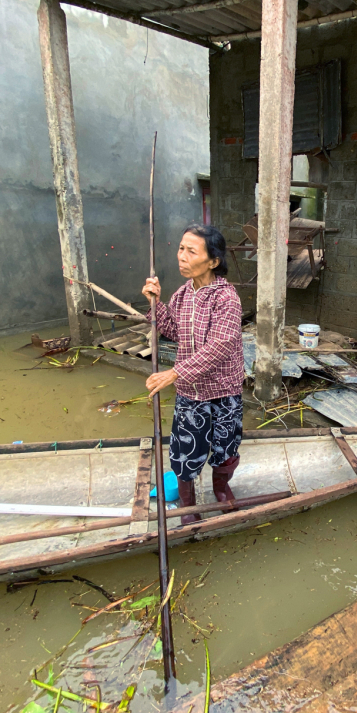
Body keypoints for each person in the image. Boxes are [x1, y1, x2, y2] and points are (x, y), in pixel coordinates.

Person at [141, 223, 244, 524]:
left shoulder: (226, 297)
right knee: (185, 452)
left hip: (224, 390)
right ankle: (189, 507)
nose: (181, 256)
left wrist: (174, 372)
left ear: (212, 261)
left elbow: (221, 345)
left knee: (226, 447)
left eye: (191, 251)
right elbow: (174, 330)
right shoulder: (183, 294)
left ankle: (222, 489)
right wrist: (155, 304)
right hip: (191, 393)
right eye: (181, 248)